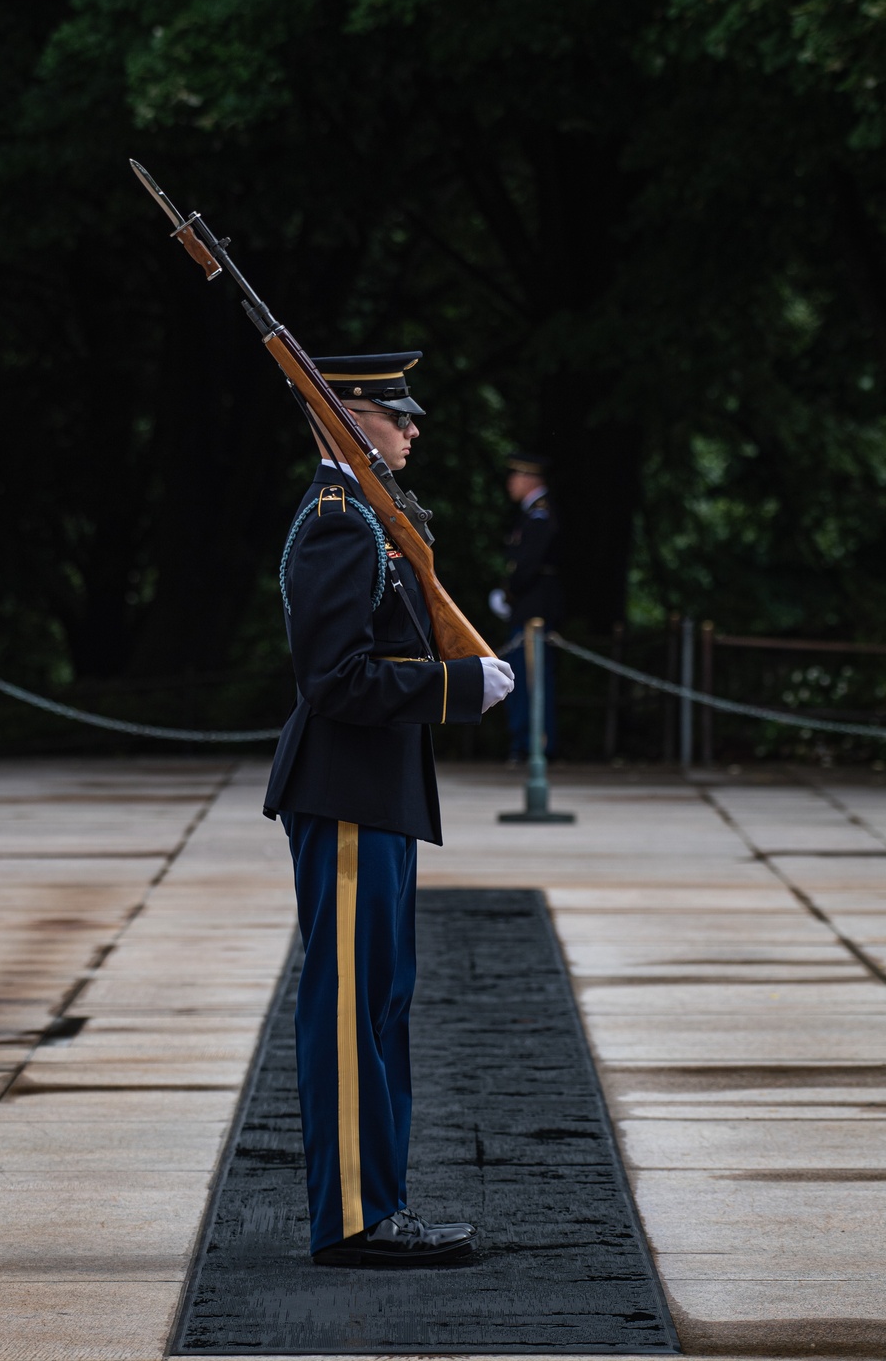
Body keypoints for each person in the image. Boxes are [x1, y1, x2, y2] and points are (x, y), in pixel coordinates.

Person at [264, 350, 514, 1268]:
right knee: (347, 1010)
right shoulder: (339, 524)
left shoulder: (368, 518)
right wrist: (454, 687)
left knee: (381, 1002)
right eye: (395, 415)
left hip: (375, 793)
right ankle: (357, 1221)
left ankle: (382, 1202)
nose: (412, 429)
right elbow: (333, 682)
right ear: (345, 420)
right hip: (345, 795)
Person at [488, 451, 562, 763]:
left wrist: (509, 596)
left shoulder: (539, 517)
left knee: (531, 682)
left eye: (515, 476)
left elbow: (526, 568)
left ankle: (535, 746)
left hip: (533, 613)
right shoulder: (532, 515)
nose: (510, 483)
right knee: (524, 682)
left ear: (529, 479)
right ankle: (527, 743)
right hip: (529, 612)